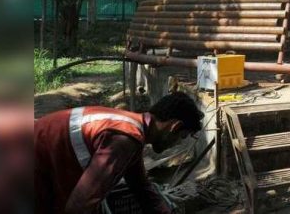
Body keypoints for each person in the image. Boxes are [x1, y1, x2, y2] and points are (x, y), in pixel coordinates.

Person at [35, 92, 203, 214]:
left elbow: (141, 187)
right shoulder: (125, 139)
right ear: (174, 127)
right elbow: (80, 206)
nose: (178, 143)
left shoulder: (131, 129)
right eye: (182, 137)